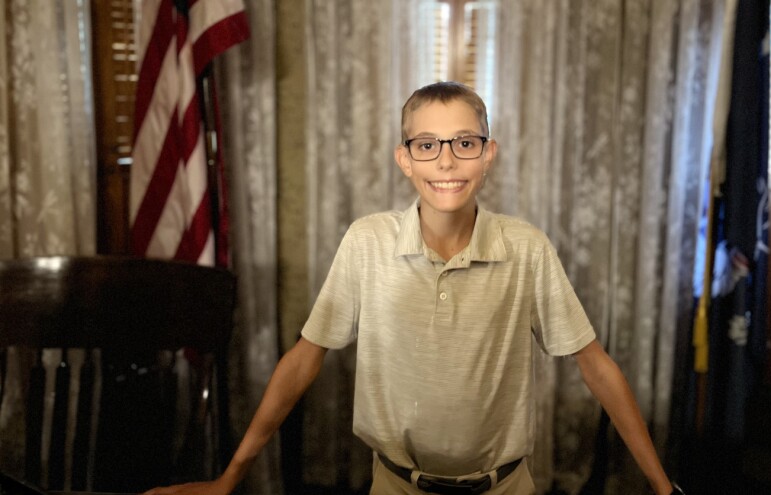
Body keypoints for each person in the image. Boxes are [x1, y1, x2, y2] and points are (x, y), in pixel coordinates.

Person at [146, 81, 682, 495]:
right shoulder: (366, 242)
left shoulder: (527, 248)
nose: (446, 161)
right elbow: (304, 360)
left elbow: (595, 365)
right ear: (404, 159)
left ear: (488, 153)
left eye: (464, 143)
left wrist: (661, 486)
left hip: (506, 485)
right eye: (427, 145)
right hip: (397, 484)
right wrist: (230, 477)